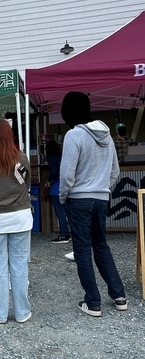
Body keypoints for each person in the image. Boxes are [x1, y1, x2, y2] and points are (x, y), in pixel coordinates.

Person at [60, 91, 127, 317]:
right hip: (101, 198)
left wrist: (63, 196)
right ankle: (119, 295)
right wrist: (102, 187)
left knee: (82, 250)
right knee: (101, 246)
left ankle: (93, 302)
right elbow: (115, 171)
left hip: (79, 199)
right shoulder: (107, 135)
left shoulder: (73, 135)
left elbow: (67, 174)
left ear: (67, 111)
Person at [0, 119, 32, 324]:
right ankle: (22, 312)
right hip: (20, 217)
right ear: (11, 136)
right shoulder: (22, 158)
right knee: (19, 265)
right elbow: (26, 184)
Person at [45, 139, 70, 244]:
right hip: (66, 187)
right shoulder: (62, 157)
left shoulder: (52, 158)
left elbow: (54, 171)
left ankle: (64, 234)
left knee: (60, 213)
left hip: (56, 189)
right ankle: (72, 234)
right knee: (68, 213)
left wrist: (48, 181)